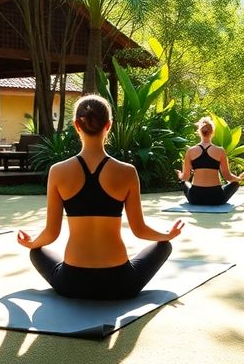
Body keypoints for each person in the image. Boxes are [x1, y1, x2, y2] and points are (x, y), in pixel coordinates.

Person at [17, 95, 185, 300]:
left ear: (76, 125)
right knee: (164, 246)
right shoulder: (127, 172)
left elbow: (51, 233)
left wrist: (32, 243)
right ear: (109, 125)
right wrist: (167, 235)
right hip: (120, 283)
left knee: (36, 252)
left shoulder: (58, 171)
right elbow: (139, 230)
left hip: (72, 283)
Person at [175, 117, 244, 205]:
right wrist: (238, 179)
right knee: (235, 184)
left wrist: (179, 175)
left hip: (195, 198)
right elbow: (227, 176)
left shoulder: (190, 151)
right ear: (212, 132)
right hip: (216, 198)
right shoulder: (220, 151)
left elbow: (185, 177)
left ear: (199, 132)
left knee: (183, 182)